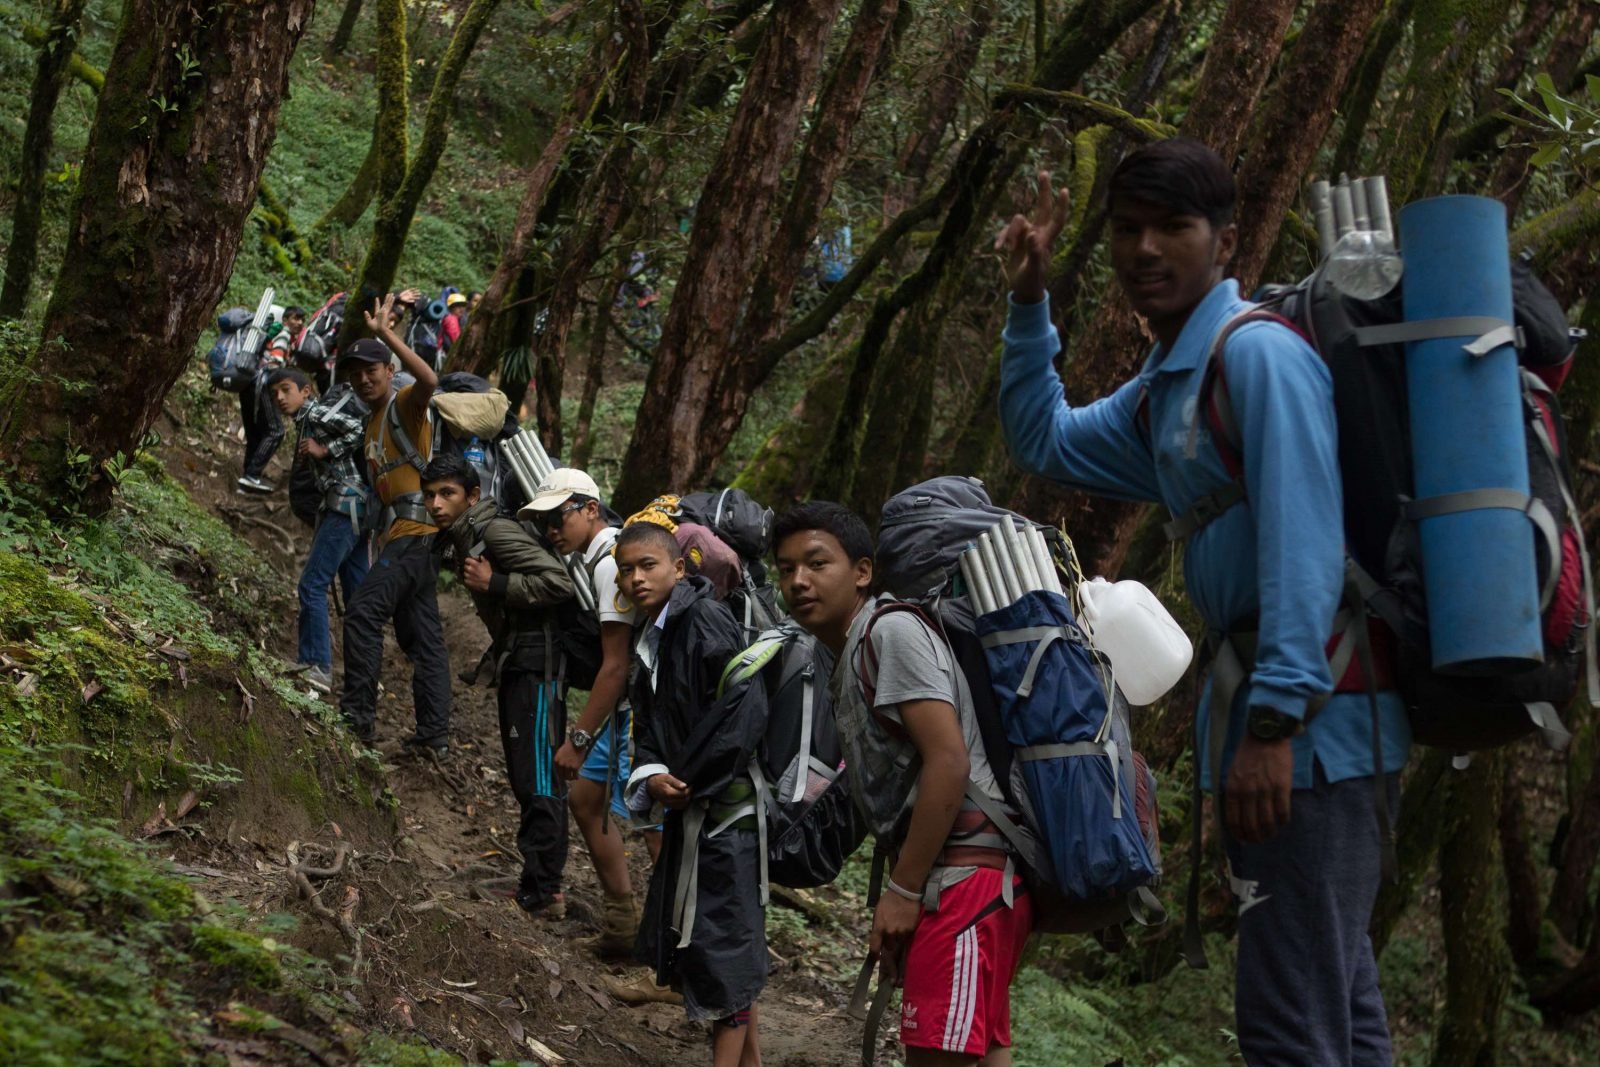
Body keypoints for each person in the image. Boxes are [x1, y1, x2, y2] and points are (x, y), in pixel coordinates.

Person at [994, 138, 1409, 1065]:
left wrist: (1274, 723)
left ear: (1224, 243)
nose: (1146, 249)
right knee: (1335, 1009)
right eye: (1128, 229)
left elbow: (1306, 542)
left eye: (1174, 227)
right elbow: (1045, 440)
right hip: (1288, 722)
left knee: (1290, 1024)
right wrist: (1030, 302)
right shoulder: (1172, 389)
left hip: (1319, 729)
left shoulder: (1257, 357)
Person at [773, 502, 1032, 1066]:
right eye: (786, 568)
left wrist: (906, 890)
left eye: (817, 563)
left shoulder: (891, 633)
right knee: (979, 1052)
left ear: (862, 571)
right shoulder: (851, 646)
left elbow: (949, 762)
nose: (798, 581)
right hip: (963, 878)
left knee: (935, 1055)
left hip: (964, 881)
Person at [618, 523, 767, 1066]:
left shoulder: (702, 619)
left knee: (721, 948)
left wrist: (690, 782)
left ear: (679, 568)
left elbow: (744, 713)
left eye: (647, 566)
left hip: (725, 817)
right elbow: (653, 724)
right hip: (694, 811)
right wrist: (653, 773)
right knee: (712, 943)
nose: (635, 578)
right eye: (626, 569)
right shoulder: (655, 631)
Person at [422, 454, 577, 917]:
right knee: (526, 776)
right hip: (520, 660)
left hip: (539, 663)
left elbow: (559, 584)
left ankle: (545, 891)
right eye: (429, 495)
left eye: (447, 493)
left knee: (540, 777)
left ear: (473, 496)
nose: (435, 504)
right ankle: (536, 881)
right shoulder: (466, 533)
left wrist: (497, 582)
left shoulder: (495, 531)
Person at [523, 468, 646, 954]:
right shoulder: (598, 556)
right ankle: (623, 928)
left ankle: (673, 952)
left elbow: (614, 667)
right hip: (629, 705)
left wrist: (577, 739)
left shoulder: (613, 561)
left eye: (560, 516)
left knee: (655, 824)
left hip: (642, 707)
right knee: (587, 800)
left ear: (590, 509)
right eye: (544, 522)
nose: (552, 529)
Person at [336, 293, 453, 754]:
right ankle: (432, 736)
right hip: (404, 540)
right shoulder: (370, 426)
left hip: (416, 536)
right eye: (357, 375)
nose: (365, 380)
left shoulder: (405, 404)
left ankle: (357, 721)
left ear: (388, 371)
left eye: (372, 370)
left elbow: (429, 378)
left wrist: (387, 334)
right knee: (423, 639)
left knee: (363, 615)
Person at [266, 367, 371, 694]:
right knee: (359, 601)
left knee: (311, 585)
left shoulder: (317, 413)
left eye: (286, 390)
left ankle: (316, 667)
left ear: (306, 392)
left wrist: (326, 450)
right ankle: (364, 679)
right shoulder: (306, 421)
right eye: (276, 395)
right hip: (356, 511)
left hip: (345, 506)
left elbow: (359, 428)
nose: (281, 398)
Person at [237, 318, 287, 494]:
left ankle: (245, 482)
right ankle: (252, 475)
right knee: (276, 431)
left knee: (254, 435)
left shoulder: (256, 335)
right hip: (262, 385)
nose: (299, 323)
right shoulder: (282, 336)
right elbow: (274, 364)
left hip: (245, 383)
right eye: (296, 318)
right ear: (285, 319)